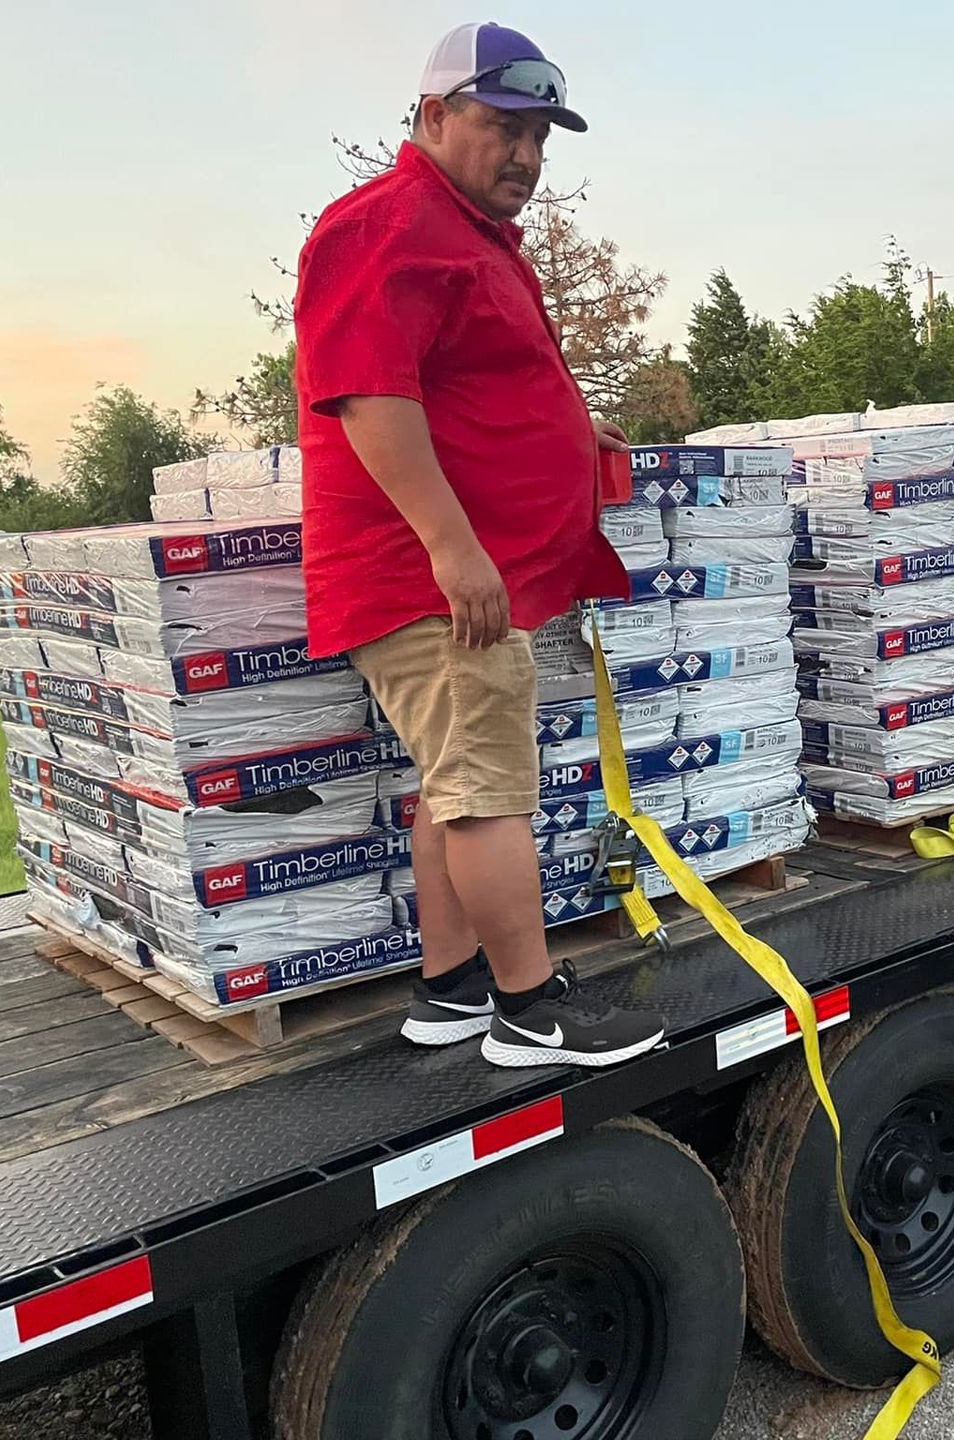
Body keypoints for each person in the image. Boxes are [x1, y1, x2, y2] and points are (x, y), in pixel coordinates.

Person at [294, 21, 664, 1068]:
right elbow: (370, 397)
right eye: (502, 126)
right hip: (430, 582)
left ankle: (452, 990)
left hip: (446, 575)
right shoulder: (386, 226)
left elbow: (464, 380)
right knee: (488, 793)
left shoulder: (461, 234)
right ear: (431, 116)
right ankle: (532, 1013)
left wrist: (561, 428)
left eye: (541, 135)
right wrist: (456, 552)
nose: (527, 156)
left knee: (454, 787)